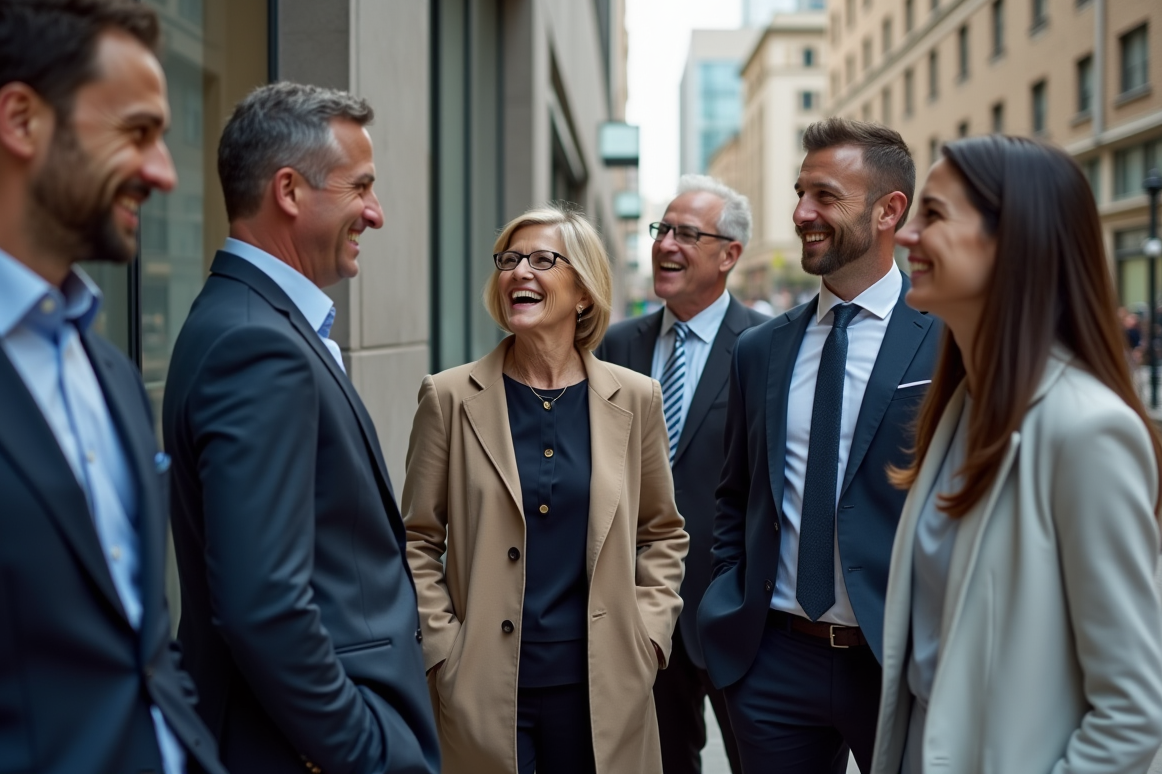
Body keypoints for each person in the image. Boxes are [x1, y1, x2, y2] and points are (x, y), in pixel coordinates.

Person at [0, 0, 226, 773]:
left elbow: (141, 650)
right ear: (20, 120)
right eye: (138, 131)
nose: (166, 171)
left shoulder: (109, 372)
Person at [163, 83, 440, 774]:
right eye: (361, 188)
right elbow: (263, 605)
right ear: (289, 191)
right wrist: (366, 749)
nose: (375, 214)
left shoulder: (250, 321)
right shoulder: (257, 346)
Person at [871, 134, 1162, 773]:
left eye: (935, 215)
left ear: (1015, 240)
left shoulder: (1088, 430)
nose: (906, 235)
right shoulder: (961, 408)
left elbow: (1133, 712)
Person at [402, 205, 689, 774]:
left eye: (541, 260)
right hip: (484, 687)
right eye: (509, 260)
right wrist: (443, 652)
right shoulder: (449, 396)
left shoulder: (635, 398)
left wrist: (650, 638)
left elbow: (662, 533)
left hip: (604, 685)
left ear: (583, 291)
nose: (519, 273)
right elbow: (416, 538)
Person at [696, 118, 941, 774]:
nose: (802, 212)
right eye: (801, 193)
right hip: (772, 664)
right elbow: (735, 495)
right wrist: (729, 604)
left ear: (890, 210)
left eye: (825, 196)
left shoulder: (948, 344)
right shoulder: (759, 350)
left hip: (897, 661)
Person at [597, 174, 765, 774]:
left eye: (686, 234)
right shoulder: (618, 345)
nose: (665, 243)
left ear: (730, 255)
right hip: (637, 609)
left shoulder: (765, 347)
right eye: (661, 229)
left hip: (733, 613)